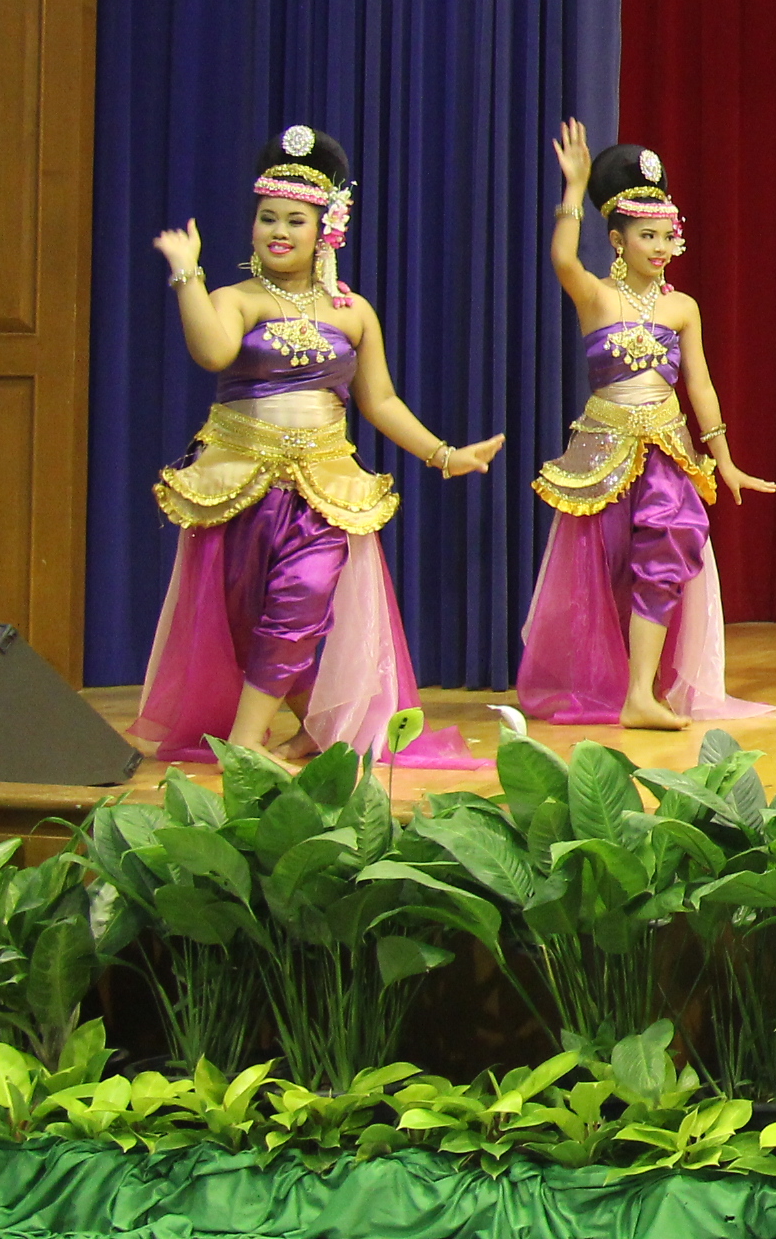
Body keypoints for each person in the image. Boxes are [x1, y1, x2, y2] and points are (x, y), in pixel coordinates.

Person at [134, 127, 502, 765]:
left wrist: (444, 455)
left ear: (325, 230)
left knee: (301, 602)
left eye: (294, 220)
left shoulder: (351, 311)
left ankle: (246, 743)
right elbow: (213, 353)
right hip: (240, 487)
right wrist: (187, 274)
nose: (278, 231)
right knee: (249, 616)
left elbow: (379, 402)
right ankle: (314, 726)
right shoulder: (236, 300)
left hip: (322, 491)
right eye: (267, 218)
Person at [518, 124, 776, 728]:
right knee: (607, 568)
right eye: (647, 236)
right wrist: (575, 188)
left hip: (667, 450)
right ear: (617, 240)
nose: (661, 247)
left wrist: (725, 459)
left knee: (665, 553)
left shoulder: (681, 308)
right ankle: (613, 685)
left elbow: (700, 386)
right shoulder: (596, 298)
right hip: (604, 451)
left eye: (668, 236)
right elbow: (562, 258)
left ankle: (642, 693)